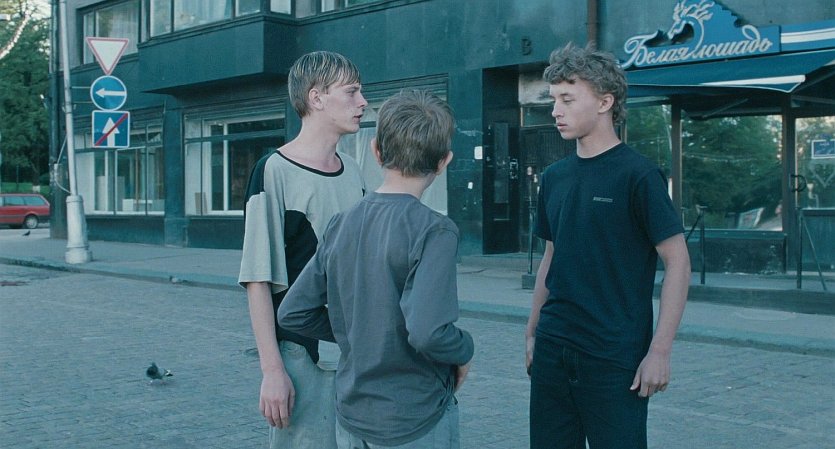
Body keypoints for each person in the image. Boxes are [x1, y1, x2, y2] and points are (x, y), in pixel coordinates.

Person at [278, 90, 474, 449]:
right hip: (414, 416)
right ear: (444, 161)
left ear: (376, 151)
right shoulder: (435, 230)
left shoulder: (341, 224)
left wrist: (359, 333)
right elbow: (428, 333)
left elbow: (293, 312)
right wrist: (464, 349)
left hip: (352, 416)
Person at [525, 43, 691, 449]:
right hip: (553, 347)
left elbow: (678, 262)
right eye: (554, 100)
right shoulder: (555, 177)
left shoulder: (639, 176)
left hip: (614, 356)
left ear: (605, 102)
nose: (556, 110)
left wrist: (660, 351)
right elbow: (551, 257)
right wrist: (532, 332)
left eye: (567, 99)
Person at [237, 50, 368, 449]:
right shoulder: (274, 170)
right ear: (316, 98)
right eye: (352, 92)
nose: (363, 102)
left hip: (357, 355)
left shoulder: (354, 170)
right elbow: (257, 280)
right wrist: (273, 371)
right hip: (302, 358)